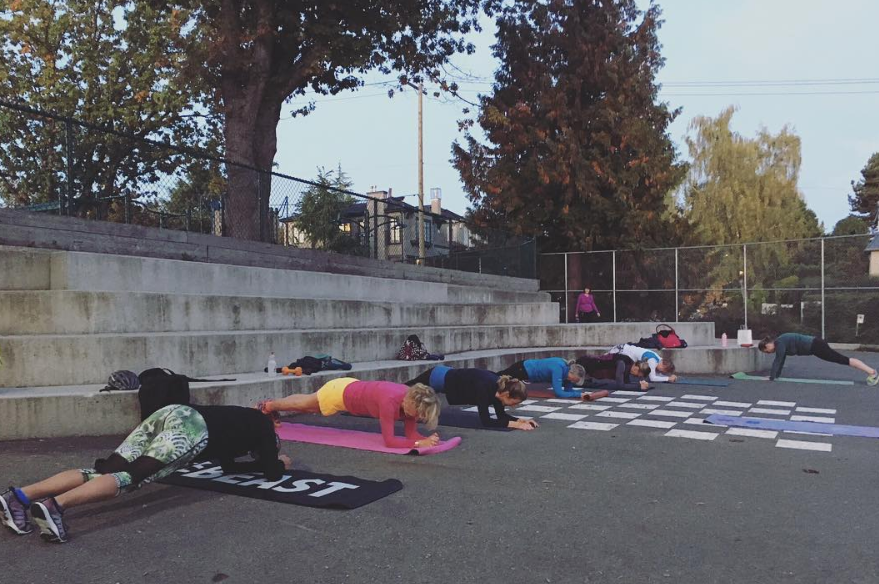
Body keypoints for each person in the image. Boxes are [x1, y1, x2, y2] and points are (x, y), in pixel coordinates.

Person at [1, 397, 289, 544]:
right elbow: (272, 473)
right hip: (192, 429)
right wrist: (281, 461)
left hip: (173, 411)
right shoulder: (265, 427)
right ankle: (55, 507)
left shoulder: (243, 415)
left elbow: (227, 465)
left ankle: (20, 497)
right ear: (274, 420)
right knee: (130, 478)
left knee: (104, 470)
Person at [258, 378, 443, 448]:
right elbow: (390, 441)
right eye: (419, 413)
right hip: (340, 393)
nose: (418, 417)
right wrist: (420, 443)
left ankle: (271, 407)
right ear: (412, 402)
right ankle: (268, 407)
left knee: (309, 403)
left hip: (350, 388)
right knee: (306, 406)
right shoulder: (390, 402)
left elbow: (410, 434)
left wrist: (428, 441)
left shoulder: (409, 402)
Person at [406, 366, 537, 430]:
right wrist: (517, 425)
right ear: (507, 394)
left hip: (449, 377)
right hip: (438, 376)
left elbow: (501, 416)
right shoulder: (485, 387)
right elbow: (486, 421)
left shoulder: (499, 392)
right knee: (405, 390)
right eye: (514, 402)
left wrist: (521, 421)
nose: (514, 406)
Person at [758, 334, 879, 384]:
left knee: (843, 360)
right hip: (816, 345)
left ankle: (872, 373)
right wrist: (775, 376)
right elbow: (781, 359)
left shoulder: (780, 343)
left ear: (768, 345)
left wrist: (772, 377)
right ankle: (872, 372)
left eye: (766, 351)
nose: (768, 353)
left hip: (816, 346)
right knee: (842, 360)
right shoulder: (781, 342)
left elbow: (778, 360)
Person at [496, 358, 587, 399]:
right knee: (498, 378)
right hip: (523, 369)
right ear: (571, 372)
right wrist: (578, 395)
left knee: (499, 378)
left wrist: (580, 394)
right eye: (575, 379)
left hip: (526, 371)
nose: (573, 381)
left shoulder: (567, 372)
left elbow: (568, 390)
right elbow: (559, 393)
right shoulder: (558, 368)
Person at [576, 354, 651, 392]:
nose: (636, 376)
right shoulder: (622, 363)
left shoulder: (628, 364)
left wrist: (641, 385)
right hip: (587, 367)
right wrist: (638, 387)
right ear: (636, 367)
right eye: (638, 374)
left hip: (592, 371)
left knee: (610, 383)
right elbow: (620, 385)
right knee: (611, 383)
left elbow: (626, 383)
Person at [608, 343, 677, 383]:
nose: (661, 372)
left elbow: (656, 374)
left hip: (621, 349)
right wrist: (668, 378)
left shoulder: (657, 358)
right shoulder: (652, 361)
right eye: (663, 371)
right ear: (664, 367)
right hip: (619, 352)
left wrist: (667, 377)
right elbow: (653, 378)